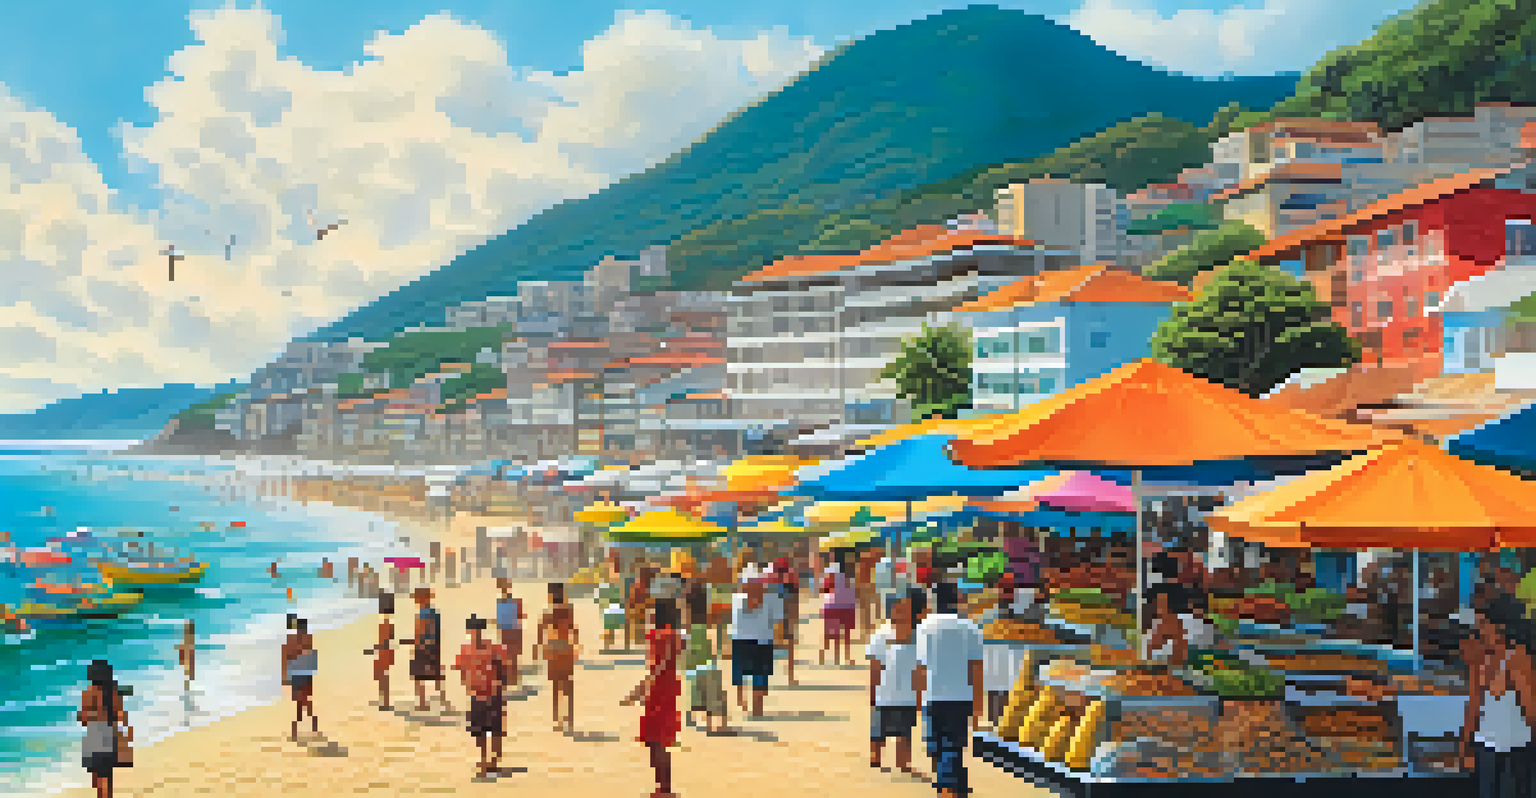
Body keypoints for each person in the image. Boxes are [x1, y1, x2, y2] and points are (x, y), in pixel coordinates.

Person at [1462, 592, 1536, 797]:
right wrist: (1466, 744)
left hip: (1510, 748)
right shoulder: (1487, 658)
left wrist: (1466, 744)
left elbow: (1530, 708)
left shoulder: (1516, 658)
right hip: (1498, 747)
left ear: (1501, 627)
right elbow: (1474, 705)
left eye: (1483, 625)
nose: (1480, 631)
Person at [915, 581, 984, 798]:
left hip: (932, 696)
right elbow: (976, 668)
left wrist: (918, 697)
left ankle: (947, 788)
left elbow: (920, 666)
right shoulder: (970, 626)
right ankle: (951, 788)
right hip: (961, 697)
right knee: (953, 746)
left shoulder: (925, 626)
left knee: (938, 747)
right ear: (958, 599)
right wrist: (978, 704)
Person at [623, 596, 684, 798]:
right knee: (656, 740)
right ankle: (662, 787)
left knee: (656, 740)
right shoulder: (672, 635)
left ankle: (664, 788)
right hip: (666, 689)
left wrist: (640, 688)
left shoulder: (663, 635)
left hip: (660, 691)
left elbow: (660, 666)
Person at [868, 588, 927, 776]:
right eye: (895, 607)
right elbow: (875, 666)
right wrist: (873, 692)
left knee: (904, 732)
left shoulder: (920, 636)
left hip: (907, 695)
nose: (896, 611)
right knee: (878, 730)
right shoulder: (882, 633)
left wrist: (920, 695)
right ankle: (875, 756)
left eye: (902, 608)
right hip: (884, 693)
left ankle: (903, 761)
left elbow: (921, 669)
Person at [454, 614, 509, 779]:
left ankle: (492, 761)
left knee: (493, 730)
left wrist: (499, 685)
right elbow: (462, 671)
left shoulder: (492, 649)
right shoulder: (469, 650)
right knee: (482, 732)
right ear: (470, 631)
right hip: (479, 694)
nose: (475, 633)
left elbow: (503, 669)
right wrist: (468, 686)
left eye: (477, 630)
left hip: (491, 694)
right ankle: (486, 761)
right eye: (473, 630)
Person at [731, 572, 783, 719]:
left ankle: (747, 704)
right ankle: (755, 708)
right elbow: (778, 622)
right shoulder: (772, 599)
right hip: (759, 641)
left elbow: (734, 623)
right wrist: (779, 641)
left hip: (745, 641)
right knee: (758, 677)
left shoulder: (737, 599)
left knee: (745, 676)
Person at [78, 660, 128, 798]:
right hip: (110, 734)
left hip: (94, 736)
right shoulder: (114, 692)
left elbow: (83, 719)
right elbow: (121, 716)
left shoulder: (88, 693)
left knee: (97, 778)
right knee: (107, 775)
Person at [536, 582, 581, 732]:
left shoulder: (547, 612)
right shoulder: (568, 610)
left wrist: (540, 648)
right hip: (565, 647)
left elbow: (540, 630)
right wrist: (576, 645)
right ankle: (570, 718)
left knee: (556, 686)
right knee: (568, 684)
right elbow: (573, 629)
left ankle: (557, 719)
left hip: (553, 648)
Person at [685, 580, 728, 732]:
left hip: (692, 656)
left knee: (694, 687)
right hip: (707, 657)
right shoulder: (708, 618)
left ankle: (690, 716)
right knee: (713, 691)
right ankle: (715, 725)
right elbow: (717, 636)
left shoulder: (686, 619)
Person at [402, 587, 453, 712]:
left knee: (419, 677)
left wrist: (409, 642)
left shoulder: (421, 614)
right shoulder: (435, 613)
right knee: (436, 676)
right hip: (434, 648)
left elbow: (419, 634)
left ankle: (422, 703)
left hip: (422, 648)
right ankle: (443, 701)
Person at [281, 615, 320, 741]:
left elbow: (286, 657)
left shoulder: (292, 640)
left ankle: (299, 729)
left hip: (298, 674)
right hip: (305, 673)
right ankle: (307, 726)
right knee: (302, 701)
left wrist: (285, 676)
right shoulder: (307, 638)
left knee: (301, 701)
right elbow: (310, 656)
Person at [821, 553, 857, 666]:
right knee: (846, 634)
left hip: (834, 603)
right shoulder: (854, 569)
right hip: (848, 604)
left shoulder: (831, 571)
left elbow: (825, 588)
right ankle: (846, 657)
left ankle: (836, 657)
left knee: (835, 633)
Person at [367, 591, 397, 709]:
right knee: (384, 677)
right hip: (387, 652)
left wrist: (375, 649)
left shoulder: (385, 623)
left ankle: (385, 701)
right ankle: (384, 700)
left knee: (383, 678)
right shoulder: (389, 622)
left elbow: (384, 641)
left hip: (384, 652)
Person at [495, 578, 525, 689]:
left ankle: (512, 678)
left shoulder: (512, 602)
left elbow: (519, 617)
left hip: (510, 631)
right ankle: (512, 678)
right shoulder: (510, 602)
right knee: (510, 656)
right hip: (509, 631)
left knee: (511, 656)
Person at [597, 560, 626, 651]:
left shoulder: (613, 579)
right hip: (616, 605)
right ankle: (611, 644)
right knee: (612, 626)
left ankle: (608, 645)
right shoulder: (621, 579)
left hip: (613, 605)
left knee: (609, 627)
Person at [176, 620, 196, 689]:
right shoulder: (188, 641)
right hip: (188, 652)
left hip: (188, 652)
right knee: (187, 674)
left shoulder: (189, 641)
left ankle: (187, 686)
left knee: (187, 674)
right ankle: (187, 686)